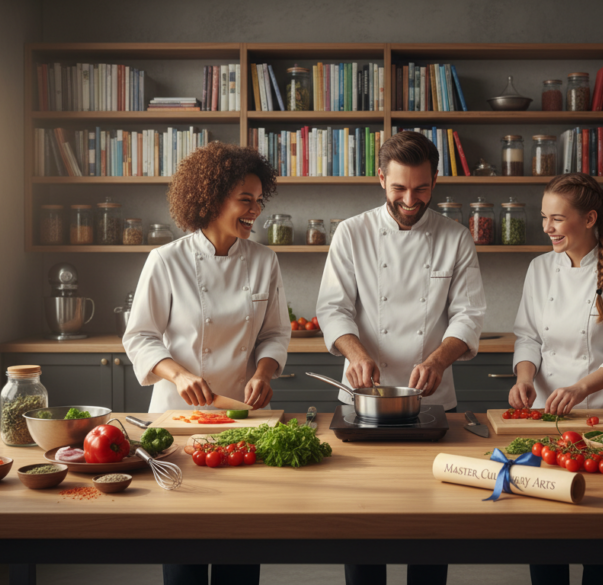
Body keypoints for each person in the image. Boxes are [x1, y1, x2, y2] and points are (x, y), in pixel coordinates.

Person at [316, 131, 486, 585]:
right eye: (399, 188)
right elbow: (333, 308)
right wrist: (356, 352)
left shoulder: (455, 238)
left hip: (431, 400)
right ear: (380, 180)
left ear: (436, 181)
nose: (411, 199)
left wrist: (438, 359)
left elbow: (469, 314)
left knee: (431, 529)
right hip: (364, 400)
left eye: (422, 188)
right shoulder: (352, 233)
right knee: (364, 524)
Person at [123, 141, 290, 585]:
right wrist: (177, 373)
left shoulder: (265, 261)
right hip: (177, 418)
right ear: (212, 199)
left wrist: (263, 372)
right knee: (184, 542)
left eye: (259, 201)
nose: (256, 211)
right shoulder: (166, 260)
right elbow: (139, 335)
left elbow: (276, 333)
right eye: (245, 201)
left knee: (240, 542)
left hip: (241, 419)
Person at [510, 173, 603, 585]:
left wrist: (580, 388)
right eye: (543, 218)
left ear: (589, 219)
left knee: (600, 536)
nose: (547, 228)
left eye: (557, 219)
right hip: (547, 416)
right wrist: (524, 377)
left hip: (602, 419)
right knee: (546, 531)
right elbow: (528, 336)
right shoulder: (539, 268)